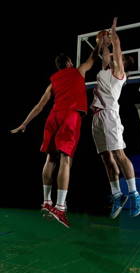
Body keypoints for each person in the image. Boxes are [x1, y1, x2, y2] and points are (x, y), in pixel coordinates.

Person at [11, 39, 103, 228]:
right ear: (69, 62)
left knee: (50, 159)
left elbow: (40, 105)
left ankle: (46, 201)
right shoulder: (78, 71)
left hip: (53, 118)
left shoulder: (53, 81)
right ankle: (60, 207)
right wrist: (102, 42)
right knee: (65, 160)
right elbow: (93, 57)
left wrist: (23, 124)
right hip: (70, 116)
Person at [91, 17, 140, 219]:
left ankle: (135, 194)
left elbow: (116, 50)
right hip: (97, 117)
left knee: (119, 155)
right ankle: (117, 194)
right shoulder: (105, 70)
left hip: (110, 116)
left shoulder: (119, 73)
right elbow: (104, 53)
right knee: (106, 157)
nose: (111, 57)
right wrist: (103, 43)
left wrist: (113, 34)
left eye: (115, 57)